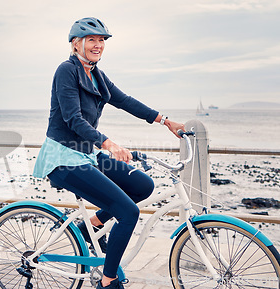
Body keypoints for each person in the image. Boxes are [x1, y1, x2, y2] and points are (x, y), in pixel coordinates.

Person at [32, 17, 185, 289]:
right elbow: (72, 119)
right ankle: (108, 279)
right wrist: (108, 143)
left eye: (102, 40)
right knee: (127, 212)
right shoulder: (66, 71)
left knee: (142, 185)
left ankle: (90, 226)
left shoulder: (97, 76)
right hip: (63, 158)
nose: (98, 45)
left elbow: (125, 101)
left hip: (85, 154)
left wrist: (164, 120)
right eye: (92, 39)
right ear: (76, 44)